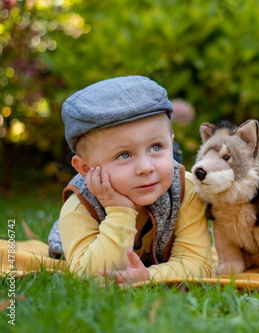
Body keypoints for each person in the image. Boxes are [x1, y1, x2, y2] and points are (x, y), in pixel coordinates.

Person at [47, 76, 212, 285]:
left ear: (171, 144)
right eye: (124, 155)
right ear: (86, 169)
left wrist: (149, 277)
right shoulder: (80, 207)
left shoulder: (186, 190)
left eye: (156, 147)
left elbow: (198, 263)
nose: (145, 167)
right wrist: (119, 212)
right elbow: (88, 277)